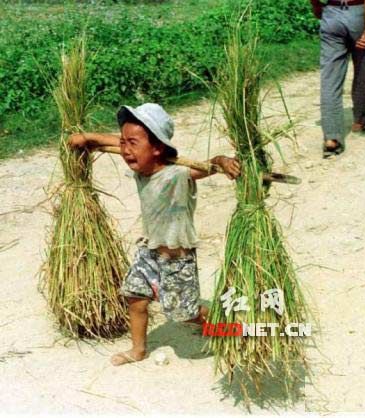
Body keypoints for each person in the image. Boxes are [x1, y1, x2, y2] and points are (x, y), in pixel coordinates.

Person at [68, 103, 240, 365]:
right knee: (135, 297)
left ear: (157, 148)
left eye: (133, 143)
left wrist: (222, 161)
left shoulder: (178, 175)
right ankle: (138, 350)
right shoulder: (141, 169)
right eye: (123, 143)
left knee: (186, 313)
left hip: (176, 259)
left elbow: (210, 166)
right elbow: (119, 142)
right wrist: (89, 138)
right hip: (149, 251)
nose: (125, 149)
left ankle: (230, 326)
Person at [310, 0, 365, 158]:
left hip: (331, 13)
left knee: (330, 80)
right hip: (359, 12)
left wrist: (316, 5)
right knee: (363, 70)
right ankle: (359, 121)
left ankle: (331, 138)